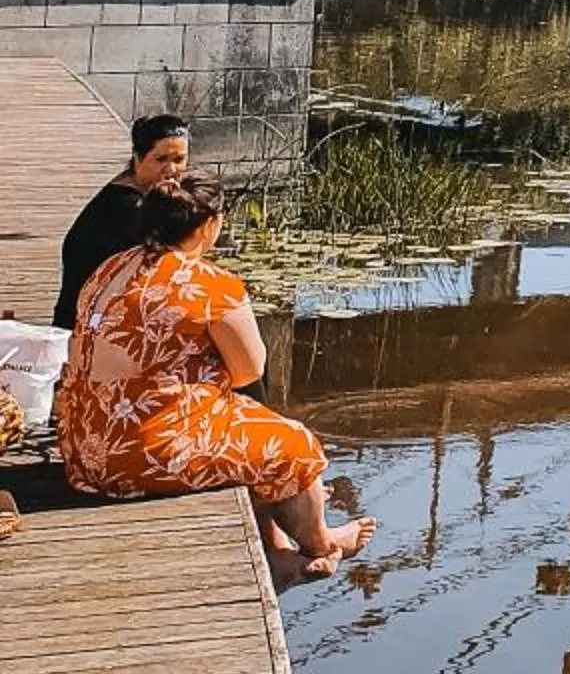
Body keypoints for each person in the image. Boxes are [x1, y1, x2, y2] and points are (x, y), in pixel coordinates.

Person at [56, 175, 374, 573]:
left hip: (84, 448)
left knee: (239, 423)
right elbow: (249, 369)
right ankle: (321, 541)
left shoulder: (112, 266)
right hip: (137, 456)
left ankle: (275, 548)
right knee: (295, 443)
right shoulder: (208, 284)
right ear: (208, 226)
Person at [52, 111, 189, 331]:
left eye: (179, 160)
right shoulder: (128, 207)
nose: (172, 170)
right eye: (161, 159)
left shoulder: (133, 193)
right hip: (86, 324)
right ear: (137, 158)